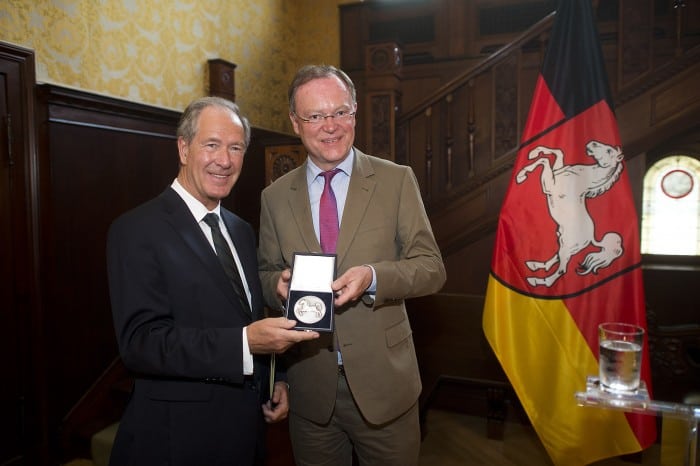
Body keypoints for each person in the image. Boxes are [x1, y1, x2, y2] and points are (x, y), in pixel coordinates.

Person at [106, 96, 319, 466]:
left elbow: (250, 316)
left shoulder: (239, 230)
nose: (225, 160)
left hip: (245, 432)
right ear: (184, 148)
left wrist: (277, 378)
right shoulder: (136, 229)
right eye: (212, 145)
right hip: (178, 440)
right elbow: (141, 344)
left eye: (236, 148)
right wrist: (244, 343)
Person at [258, 65, 446, 466]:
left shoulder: (396, 181)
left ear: (355, 113)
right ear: (295, 122)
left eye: (340, 112)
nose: (331, 126)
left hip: (386, 389)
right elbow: (263, 274)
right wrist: (277, 283)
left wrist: (374, 277)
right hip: (312, 392)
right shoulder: (274, 197)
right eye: (316, 116)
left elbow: (432, 267)